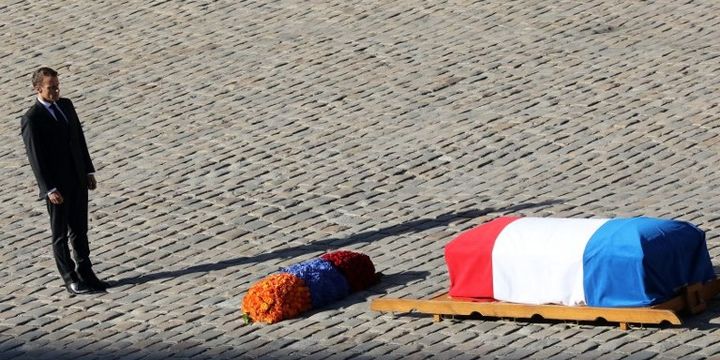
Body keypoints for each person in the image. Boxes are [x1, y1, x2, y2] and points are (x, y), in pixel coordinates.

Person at [21, 67, 108, 295]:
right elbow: (36, 158)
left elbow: (79, 138)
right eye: (51, 87)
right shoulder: (32, 119)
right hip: (57, 186)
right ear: (38, 88)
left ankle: (86, 272)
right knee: (60, 234)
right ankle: (70, 278)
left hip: (77, 179)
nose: (56, 91)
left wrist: (88, 171)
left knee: (80, 230)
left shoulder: (66, 105)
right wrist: (48, 188)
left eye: (57, 86)